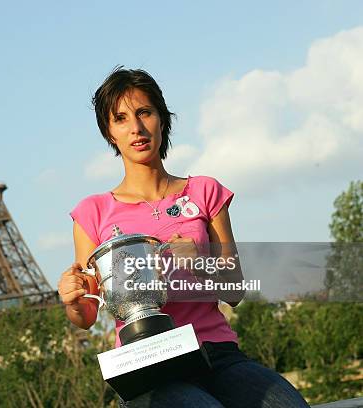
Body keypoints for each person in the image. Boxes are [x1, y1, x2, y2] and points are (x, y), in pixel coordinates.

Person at [57, 67, 310, 408]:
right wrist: (73, 300)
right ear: (110, 132)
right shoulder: (93, 212)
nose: (136, 127)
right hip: (148, 365)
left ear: (162, 119)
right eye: (121, 118)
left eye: (145, 112)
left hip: (218, 355)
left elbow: (234, 291)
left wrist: (201, 265)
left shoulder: (205, 192)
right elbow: (86, 317)